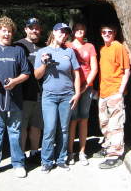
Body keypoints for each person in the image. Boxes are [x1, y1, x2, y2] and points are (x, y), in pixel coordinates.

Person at [0, 16, 30, 178]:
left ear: (12, 33)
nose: (6, 34)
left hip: (14, 100)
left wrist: (15, 82)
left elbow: (26, 73)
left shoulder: (18, 51)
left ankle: (18, 163)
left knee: (14, 132)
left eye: (9, 31)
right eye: (4, 31)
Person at [34, 23, 81, 173]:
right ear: (53, 32)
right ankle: (46, 161)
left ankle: (61, 159)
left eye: (66, 33)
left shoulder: (70, 52)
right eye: (61, 32)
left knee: (64, 128)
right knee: (50, 128)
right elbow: (37, 75)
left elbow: (77, 74)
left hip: (67, 95)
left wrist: (77, 93)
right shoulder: (43, 51)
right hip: (49, 96)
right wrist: (44, 64)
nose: (64, 35)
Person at [94, 24, 131, 169]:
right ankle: (108, 146)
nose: (107, 34)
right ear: (101, 33)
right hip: (103, 93)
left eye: (110, 32)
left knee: (115, 124)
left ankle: (114, 155)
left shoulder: (118, 47)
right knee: (104, 123)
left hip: (115, 92)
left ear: (114, 33)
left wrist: (120, 91)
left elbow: (126, 70)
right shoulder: (103, 49)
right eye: (104, 31)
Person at [66, 22, 98, 166]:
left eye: (82, 29)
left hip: (86, 87)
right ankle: (70, 152)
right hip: (71, 88)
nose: (80, 31)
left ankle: (82, 152)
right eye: (77, 29)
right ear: (73, 31)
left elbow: (94, 68)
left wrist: (85, 86)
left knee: (83, 119)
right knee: (72, 120)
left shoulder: (89, 46)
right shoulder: (67, 46)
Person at [14, 17, 44, 164]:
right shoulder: (18, 46)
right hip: (22, 94)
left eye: (37, 28)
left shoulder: (44, 47)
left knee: (36, 126)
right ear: (26, 29)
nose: (34, 30)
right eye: (31, 27)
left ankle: (34, 152)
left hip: (39, 94)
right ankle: (21, 155)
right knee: (22, 127)